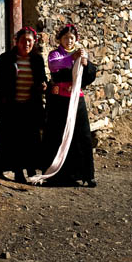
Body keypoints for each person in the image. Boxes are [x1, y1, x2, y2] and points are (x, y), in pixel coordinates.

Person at [42, 23, 98, 187]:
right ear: (60, 39)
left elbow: (90, 75)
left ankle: (86, 174)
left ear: (76, 39)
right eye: (65, 37)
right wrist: (70, 59)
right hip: (59, 101)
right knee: (56, 135)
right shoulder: (55, 54)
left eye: (71, 38)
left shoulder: (80, 53)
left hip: (76, 99)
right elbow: (54, 66)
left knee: (82, 136)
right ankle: (55, 175)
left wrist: (86, 64)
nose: (69, 40)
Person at [0, 27, 47, 183]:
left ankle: (30, 169)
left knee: (30, 140)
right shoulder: (6, 58)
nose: (26, 44)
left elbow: (43, 79)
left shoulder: (37, 60)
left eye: (29, 41)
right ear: (17, 42)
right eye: (23, 41)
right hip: (11, 106)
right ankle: (16, 172)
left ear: (34, 43)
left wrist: (44, 85)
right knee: (12, 140)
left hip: (30, 106)